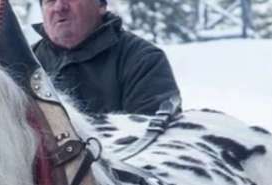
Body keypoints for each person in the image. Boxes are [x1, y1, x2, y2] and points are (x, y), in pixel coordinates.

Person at [32, 0, 181, 116]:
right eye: (50, 0)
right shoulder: (24, 63)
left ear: (101, 5)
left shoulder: (143, 60)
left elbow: (156, 144)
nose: (59, 7)